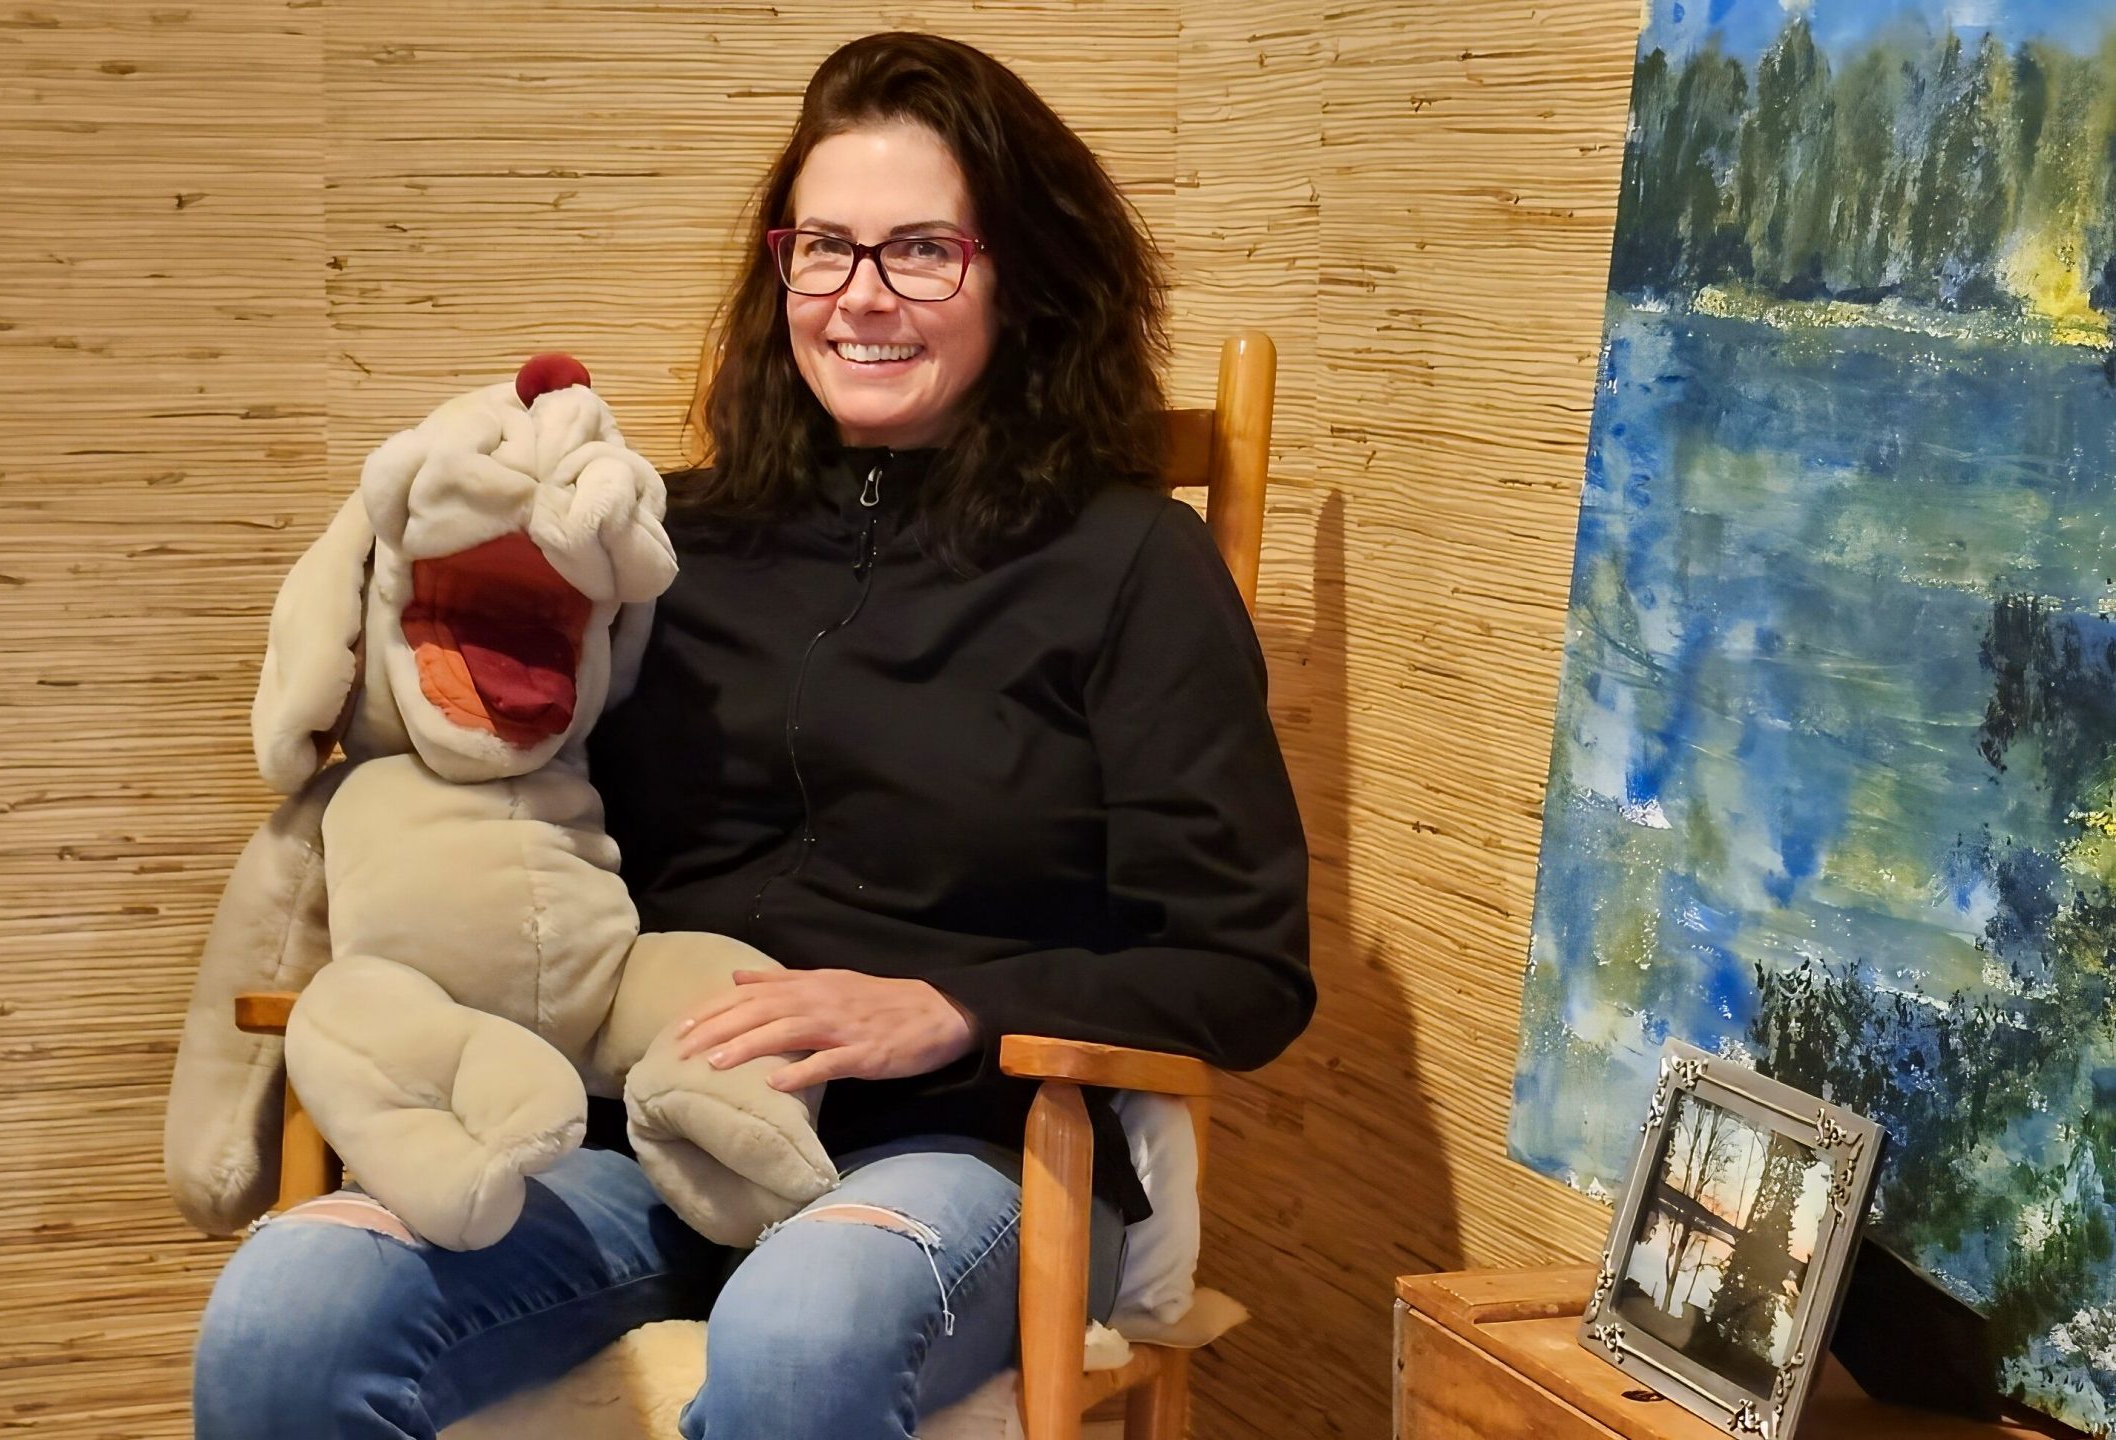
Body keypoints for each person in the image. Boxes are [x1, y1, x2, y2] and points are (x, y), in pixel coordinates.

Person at [192, 31, 1311, 1440]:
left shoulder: (1129, 565)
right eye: (825, 249)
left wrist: (948, 1008)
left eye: (923, 251)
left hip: (957, 1153)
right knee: (287, 1313)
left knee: (803, 1330)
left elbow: (1241, 970)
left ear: (1020, 280)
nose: (861, 296)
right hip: (641, 1133)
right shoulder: (671, 549)